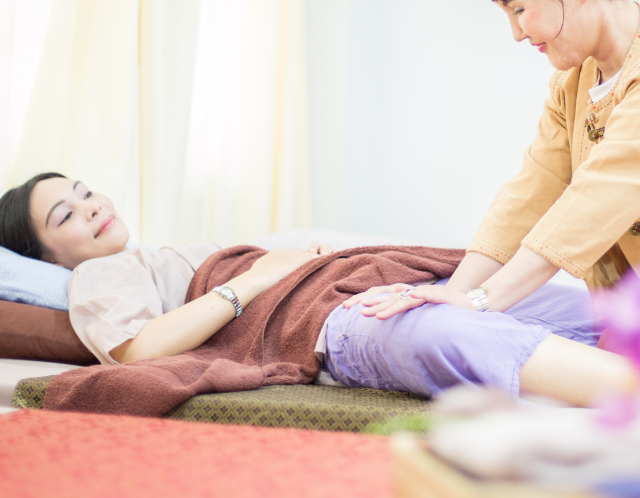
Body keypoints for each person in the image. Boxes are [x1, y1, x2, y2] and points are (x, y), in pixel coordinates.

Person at [0, 171, 636, 407]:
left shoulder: (152, 254)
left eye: (84, 192)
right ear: (45, 256)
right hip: (310, 319)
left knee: (565, 304)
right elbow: (137, 351)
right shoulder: (94, 277)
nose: (90, 206)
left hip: (330, 279)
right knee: (445, 332)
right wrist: (256, 278)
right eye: (65, 215)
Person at [346, 0, 640, 340]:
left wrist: (483, 300)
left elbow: (597, 197)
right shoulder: (573, 85)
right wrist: (452, 295)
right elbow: (531, 192)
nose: (516, 34)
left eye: (519, 9)